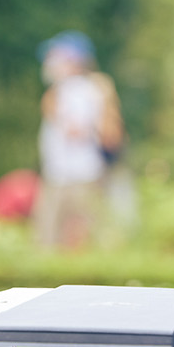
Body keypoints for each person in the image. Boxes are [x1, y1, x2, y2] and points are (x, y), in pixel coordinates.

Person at [33, 31, 124, 249]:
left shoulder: (83, 90)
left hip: (80, 173)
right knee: (51, 233)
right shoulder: (62, 91)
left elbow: (81, 130)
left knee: (79, 233)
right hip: (60, 172)